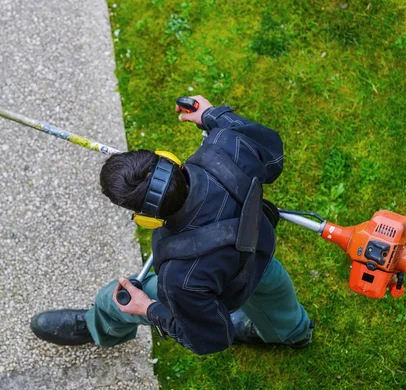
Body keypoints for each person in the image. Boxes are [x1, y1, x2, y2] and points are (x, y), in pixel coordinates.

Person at [30, 95, 313, 354]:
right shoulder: (226, 148)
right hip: (259, 257)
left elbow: (211, 339)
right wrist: (213, 115)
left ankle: (97, 323)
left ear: (146, 219)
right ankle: (294, 333)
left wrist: (148, 308)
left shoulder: (180, 279)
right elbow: (271, 151)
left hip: (227, 283)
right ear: (171, 161)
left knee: (111, 298)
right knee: (274, 297)